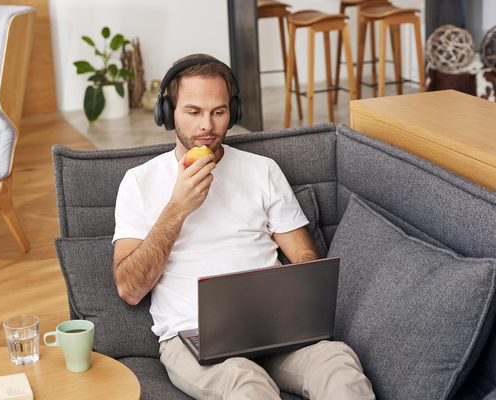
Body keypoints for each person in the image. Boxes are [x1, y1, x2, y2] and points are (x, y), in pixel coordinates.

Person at [112, 53, 375, 400]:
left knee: (337, 362)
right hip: (193, 338)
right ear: (168, 112)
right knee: (245, 383)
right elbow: (130, 289)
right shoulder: (139, 182)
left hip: (274, 330)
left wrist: (299, 305)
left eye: (218, 112)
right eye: (193, 112)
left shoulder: (262, 170)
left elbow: (304, 255)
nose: (206, 126)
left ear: (232, 113)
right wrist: (176, 210)